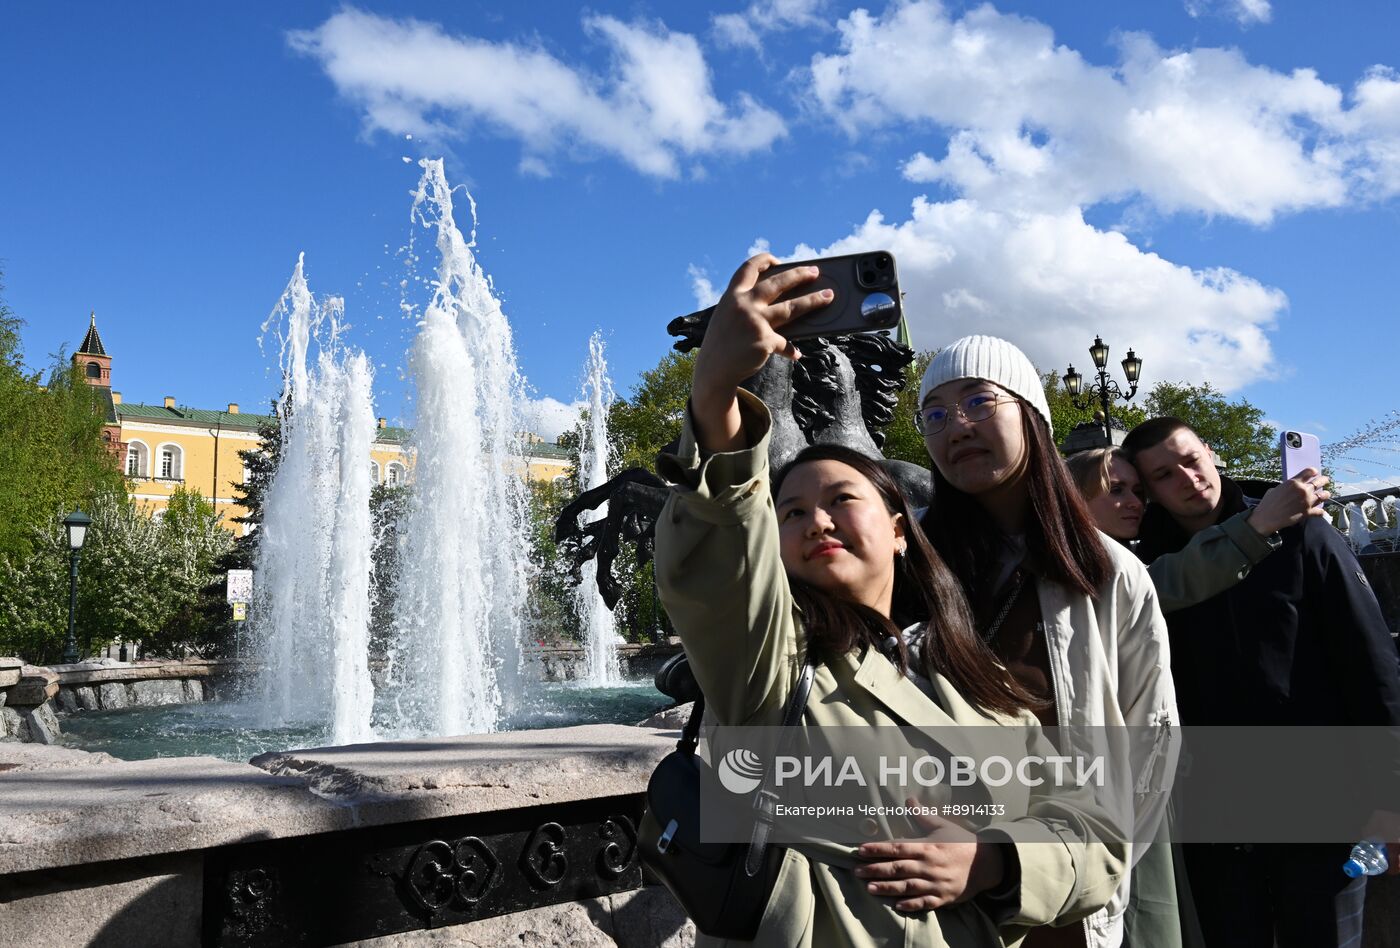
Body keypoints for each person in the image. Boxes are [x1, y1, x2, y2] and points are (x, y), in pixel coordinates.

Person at [654, 255, 1126, 947]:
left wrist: (995, 861)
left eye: (841, 499)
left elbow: (1097, 832)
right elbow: (725, 545)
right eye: (789, 513)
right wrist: (717, 390)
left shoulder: (974, 680)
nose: (815, 521)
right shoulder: (768, 667)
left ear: (901, 529)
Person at [915, 336, 1179, 948]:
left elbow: (1152, 741)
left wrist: (1091, 873)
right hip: (929, 891)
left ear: (1031, 416)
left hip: (1061, 897)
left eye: (980, 400)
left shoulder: (1112, 572)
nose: (956, 425)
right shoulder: (906, 565)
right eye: (934, 414)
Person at [1123, 415, 1400, 947]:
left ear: (1210, 452)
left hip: (1324, 811)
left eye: (1190, 459)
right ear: (1150, 490)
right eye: (1163, 474)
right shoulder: (1143, 568)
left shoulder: (1303, 530)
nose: (1186, 477)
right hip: (1213, 821)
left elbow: (1372, 664)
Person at [1066, 446, 1330, 612]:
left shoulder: (1132, 548)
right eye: (1116, 490)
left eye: (1138, 491)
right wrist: (1258, 524)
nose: (1136, 503)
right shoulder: (1073, 562)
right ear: (1074, 497)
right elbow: (1157, 585)